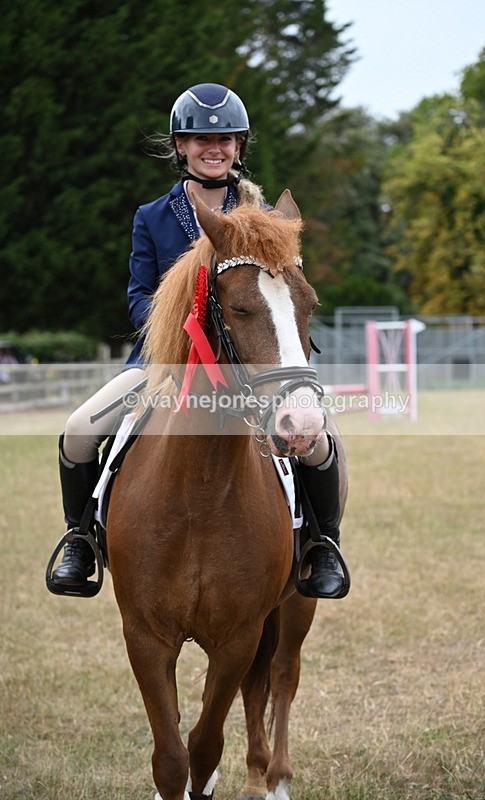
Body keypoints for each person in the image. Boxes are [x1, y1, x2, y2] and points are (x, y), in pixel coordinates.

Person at [50, 83, 346, 599]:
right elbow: (139, 296)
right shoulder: (153, 218)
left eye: (226, 139)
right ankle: (80, 540)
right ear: (180, 146)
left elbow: (281, 293)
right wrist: (180, 327)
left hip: (249, 363)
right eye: (200, 138)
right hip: (162, 364)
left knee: (320, 441)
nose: (215, 147)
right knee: (78, 430)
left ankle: (323, 544)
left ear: (239, 147)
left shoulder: (261, 217)